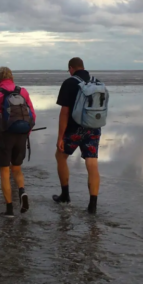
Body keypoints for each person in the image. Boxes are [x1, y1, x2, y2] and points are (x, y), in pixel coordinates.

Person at [52, 57, 102, 214]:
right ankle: (92, 206)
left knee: (60, 156)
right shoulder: (96, 82)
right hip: (94, 128)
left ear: (71, 68)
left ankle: (65, 195)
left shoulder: (69, 83)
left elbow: (64, 112)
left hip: (75, 129)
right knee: (92, 163)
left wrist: (60, 137)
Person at [0, 67, 36, 218]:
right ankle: (22, 191)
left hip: (4, 135)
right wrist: (26, 132)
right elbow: (32, 114)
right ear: (11, 77)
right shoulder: (23, 92)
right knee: (17, 168)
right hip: (21, 134)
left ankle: (9, 209)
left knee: (4, 172)